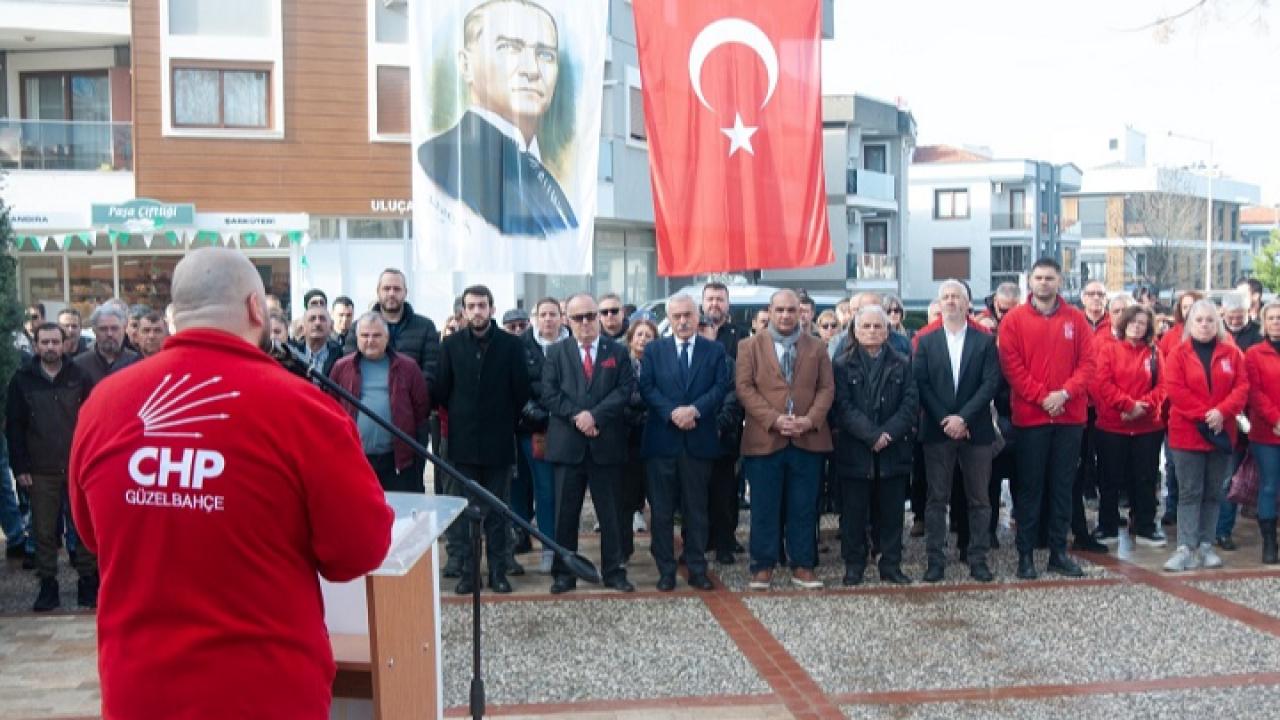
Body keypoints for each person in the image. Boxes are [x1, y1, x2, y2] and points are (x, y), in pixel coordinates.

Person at [68, 248, 392, 719]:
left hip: (140, 690)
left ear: (176, 316)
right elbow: (359, 550)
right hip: (267, 692)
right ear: (256, 309)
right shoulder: (303, 410)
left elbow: (91, 534)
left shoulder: (104, 405)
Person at [417, 0, 578, 236]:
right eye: (510, 48)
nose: (532, 70)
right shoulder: (440, 160)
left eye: (545, 54)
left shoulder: (543, 176)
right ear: (465, 65)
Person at [998, 258, 1094, 580]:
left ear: (1059, 281)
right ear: (1030, 281)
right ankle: (1025, 555)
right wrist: (1042, 397)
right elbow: (1012, 367)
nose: (1043, 283)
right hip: (1031, 420)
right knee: (1029, 488)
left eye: (1049, 278)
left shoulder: (1076, 320)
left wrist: (1064, 394)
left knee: (1063, 488)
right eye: (1038, 277)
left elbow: (1088, 364)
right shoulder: (1013, 320)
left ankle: (1058, 553)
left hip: (1069, 419)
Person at [434, 285, 531, 595]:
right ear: (463, 310)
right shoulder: (450, 345)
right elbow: (441, 391)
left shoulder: (511, 346)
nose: (477, 311)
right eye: (471, 306)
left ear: (491, 308)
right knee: (466, 513)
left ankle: (499, 572)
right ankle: (468, 573)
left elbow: (521, 391)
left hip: (499, 443)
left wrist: (501, 419)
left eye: (482, 305)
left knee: (499, 513)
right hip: (463, 445)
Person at [736, 289, 834, 590]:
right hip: (765, 439)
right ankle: (762, 567)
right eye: (779, 310)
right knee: (764, 506)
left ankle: (803, 565)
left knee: (803, 507)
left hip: (807, 439)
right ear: (771, 310)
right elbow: (744, 388)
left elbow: (826, 389)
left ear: (801, 312)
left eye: (792, 310)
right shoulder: (749, 346)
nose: (786, 315)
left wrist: (810, 420)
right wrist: (774, 419)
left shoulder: (817, 347)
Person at [542, 293, 636, 593]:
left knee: (610, 513)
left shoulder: (617, 353)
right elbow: (550, 393)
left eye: (591, 316)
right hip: (569, 445)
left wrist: (595, 416)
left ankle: (614, 570)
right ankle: (564, 572)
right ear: (568, 321)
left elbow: (624, 391)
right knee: (565, 514)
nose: (586, 323)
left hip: (605, 444)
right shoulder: (556, 353)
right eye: (579, 317)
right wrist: (578, 417)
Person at [639, 295, 730, 591]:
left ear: (697, 315)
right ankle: (666, 569)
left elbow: (720, 387)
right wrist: (672, 413)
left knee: (696, 510)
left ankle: (697, 567)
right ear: (669, 318)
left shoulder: (714, 350)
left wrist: (695, 410)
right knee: (662, 512)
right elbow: (647, 387)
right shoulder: (654, 350)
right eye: (676, 316)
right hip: (662, 441)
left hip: (698, 440)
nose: (682, 321)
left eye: (688, 315)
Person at [914, 280, 1001, 583]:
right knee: (936, 499)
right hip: (938, 432)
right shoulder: (925, 341)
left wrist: (963, 418)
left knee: (979, 499)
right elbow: (921, 385)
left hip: (975, 431)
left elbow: (990, 384)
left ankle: (977, 557)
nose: (951, 302)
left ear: (967, 304)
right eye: (946, 297)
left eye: (956, 297)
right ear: (939, 304)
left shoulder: (985, 341)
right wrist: (946, 420)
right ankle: (935, 560)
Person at [6, 323, 96, 611]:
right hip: (40, 469)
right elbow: (15, 427)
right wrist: (20, 467)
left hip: (76, 467)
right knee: (44, 531)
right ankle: (48, 585)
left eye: (55, 342)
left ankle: (87, 581)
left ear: (65, 344)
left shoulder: (79, 376)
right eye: (44, 342)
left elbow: (93, 421)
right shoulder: (22, 380)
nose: (50, 347)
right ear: (35, 345)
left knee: (83, 527)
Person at [832, 305, 919, 586]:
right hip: (856, 451)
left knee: (892, 513)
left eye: (877, 326)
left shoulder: (903, 363)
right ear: (855, 331)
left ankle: (891, 564)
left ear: (887, 331)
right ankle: (854, 565)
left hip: (893, 451)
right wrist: (871, 435)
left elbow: (910, 405)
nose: (872, 331)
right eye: (866, 327)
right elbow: (842, 407)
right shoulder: (842, 365)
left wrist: (887, 434)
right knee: (854, 514)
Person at [1163, 299, 1249, 572]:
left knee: (1214, 493)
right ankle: (1185, 546)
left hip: (1221, 432)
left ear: (1218, 323)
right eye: (1199, 320)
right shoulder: (1178, 353)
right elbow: (1176, 391)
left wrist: (1221, 412)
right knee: (1190, 492)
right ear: (1190, 323)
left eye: (1210, 320)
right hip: (1187, 433)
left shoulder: (1232, 353)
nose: (1204, 325)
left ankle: (1206, 545)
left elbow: (1242, 387)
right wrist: (1205, 414)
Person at [1091, 305, 1167, 546]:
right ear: (1124, 324)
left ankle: (1145, 525)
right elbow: (1102, 382)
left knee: (1145, 478)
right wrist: (1126, 406)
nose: (1136, 326)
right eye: (1133, 322)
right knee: (1109, 479)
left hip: (1147, 426)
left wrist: (1141, 407)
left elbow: (1163, 386)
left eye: (1142, 323)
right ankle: (1108, 526)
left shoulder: (1155, 353)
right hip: (1113, 425)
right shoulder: (1108, 350)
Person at [329, 313, 430, 493]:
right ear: (357, 338)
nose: (370, 340)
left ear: (387, 337)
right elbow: (331, 408)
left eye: (376, 335)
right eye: (365, 335)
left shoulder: (408, 368)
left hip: (396, 461)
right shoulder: (342, 367)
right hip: (356, 459)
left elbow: (421, 412)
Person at [514, 297, 567, 574]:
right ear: (535, 318)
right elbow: (517, 387)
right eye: (542, 314)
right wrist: (539, 414)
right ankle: (548, 546)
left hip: (570, 427)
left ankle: (566, 546)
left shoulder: (571, 345)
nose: (548, 319)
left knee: (567, 491)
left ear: (562, 317)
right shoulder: (521, 346)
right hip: (535, 430)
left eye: (553, 314)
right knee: (544, 490)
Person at [1214, 291, 1265, 548]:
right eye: (1230, 317)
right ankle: (1222, 529)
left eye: (1239, 317)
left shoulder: (1259, 335)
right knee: (1228, 479)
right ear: (1222, 313)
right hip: (1229, 417)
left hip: (1259, 418)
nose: (1234, 321)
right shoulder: (1215, 333)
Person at [701, 282, 747, 559]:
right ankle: (701, 538)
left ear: (728, 304)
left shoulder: (740, 337)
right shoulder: (690, 332)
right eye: (710, 299)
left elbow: (738, 385)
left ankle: (726, 539)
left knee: (726, 488)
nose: (714, 304)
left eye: (720, 299)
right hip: (695, 426)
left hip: (727, 426)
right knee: (696, 488)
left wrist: (722, 422)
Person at [345, 269, 441, 386]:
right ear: (378, 292)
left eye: (397, 289)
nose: (391, 293)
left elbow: (431, 370)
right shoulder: (359, 327)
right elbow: (349, 367)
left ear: (405, 292)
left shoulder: (426, 327)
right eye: (386, 288)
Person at [1159, 289, 1206, 527]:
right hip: (1174, 413)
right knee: (1173, 464)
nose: (1190, 311)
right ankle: (1172, 506)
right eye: (1186, 306)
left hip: (1208, 415)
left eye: (1195, 306)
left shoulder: (1217, 338)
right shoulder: (1170, 338)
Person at [619, 317, 658, 565]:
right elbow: (622, 397)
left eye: (649, 335)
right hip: (626, 439)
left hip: (654, 438)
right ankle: (623, 550)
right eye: (639, 335)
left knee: (659, 499)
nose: (643, 339)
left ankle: (661, 550)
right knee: (625, 499)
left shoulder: (659, 364)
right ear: (631, 339)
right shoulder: (622, 364)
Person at [1245, 301, 1280, 563]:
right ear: (1264, 324)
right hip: (1267, 432)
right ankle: (1269, 543)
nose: (1277, 322)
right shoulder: (1254, 354)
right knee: (1269, 486)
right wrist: (1276, 419)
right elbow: (1254, 392)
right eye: (1272, 319)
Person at [74, 305, 141, 385]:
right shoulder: (79, 364)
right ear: (94, 330)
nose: (109, 334)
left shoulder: (136, 362)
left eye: (114, 328)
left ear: (124, 328)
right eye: (103, 329)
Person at [291, 305, 344, 377]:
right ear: (303, 328)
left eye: (322, 319)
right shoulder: (292, 354)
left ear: (331, 327)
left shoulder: (341, 356)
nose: (317, 323)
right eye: (312, 319)